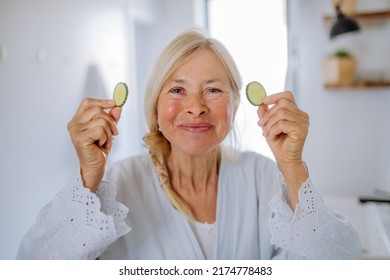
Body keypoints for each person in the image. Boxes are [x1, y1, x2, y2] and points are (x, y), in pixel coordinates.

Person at [17, 28, 361, 260]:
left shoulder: (264, 178)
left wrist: (293, 166)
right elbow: (34, 264)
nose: (196, 107)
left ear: (235, 105)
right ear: (155, 105)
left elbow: (341, 262)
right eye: (177, 90)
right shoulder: (116, 190)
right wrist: (89, 175)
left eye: (213, 89)